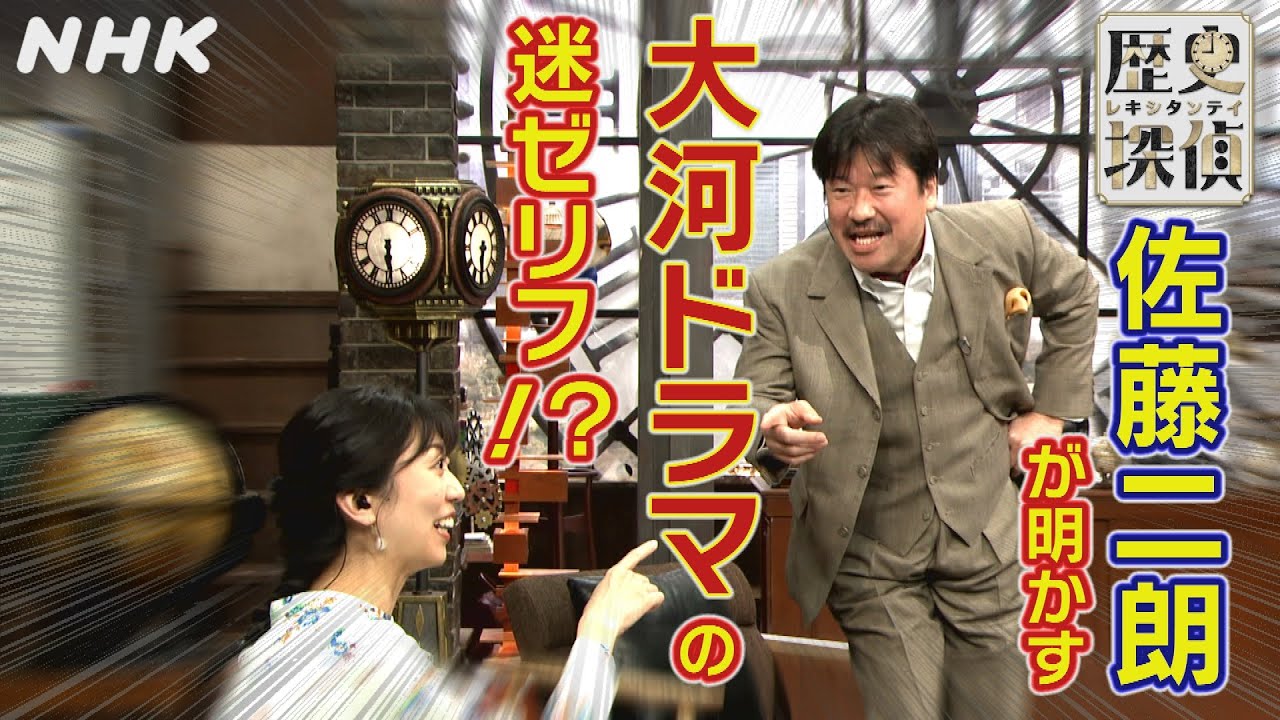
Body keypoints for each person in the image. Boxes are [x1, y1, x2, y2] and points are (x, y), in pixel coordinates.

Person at [735, 95, 1097, 720]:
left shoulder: (1001, 234)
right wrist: (769, 430)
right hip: (872, 555)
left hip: (986, 541)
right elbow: (756, 397)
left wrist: (1051, 414)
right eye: (840, 190)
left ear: (929, 188)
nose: (859, 211)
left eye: (880, 187)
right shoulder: (783, 287)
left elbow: (1076, 294)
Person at [211, 384, 665, 719]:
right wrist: (600, 626)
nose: (457, 489)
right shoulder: (362, 656)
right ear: (362, 502)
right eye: (437, 465)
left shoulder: (303, 637)